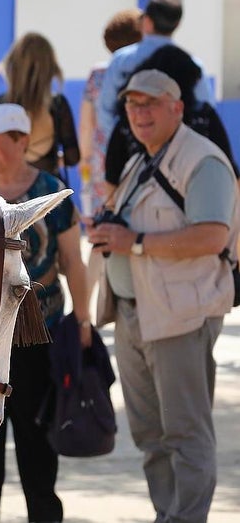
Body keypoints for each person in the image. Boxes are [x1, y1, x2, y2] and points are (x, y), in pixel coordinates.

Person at [88, 69, 237, 523]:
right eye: (132, 105)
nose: (139, 113)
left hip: (179, 317)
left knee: (185, 435)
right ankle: (168, 515)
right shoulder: (142, 159)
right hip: (135, 314)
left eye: (150, 103)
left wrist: (133, 241)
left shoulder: (202, 160)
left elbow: (213, 236)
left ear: (177, 107)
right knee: (151, 436)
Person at [0, 103, 90, 523]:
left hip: (39, 341)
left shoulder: (51, 191)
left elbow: (73, 261)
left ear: (21, 141)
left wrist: (83, 322)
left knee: (38, 452)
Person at [104, 45, 238, 185]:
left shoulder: (127, 124)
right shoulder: (203, 117)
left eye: (152, 102)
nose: (142, 112)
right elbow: (231, 174)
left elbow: (111, 182)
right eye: (134, 103)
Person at [79, 9, 143, 298]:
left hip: (102, 167)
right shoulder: (143, 72)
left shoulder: (97, 75)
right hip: (139, 165)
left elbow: (86, 127)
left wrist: (87, 163)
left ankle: (87, 310)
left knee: (99, 236)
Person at [96, 0, 213, 141]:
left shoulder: (122, 61)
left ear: (147, 21)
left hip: (132, 152)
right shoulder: (192, 64)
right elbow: (205, 108)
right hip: (178, 150)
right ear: (177, 24)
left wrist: (126, 142)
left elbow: (106, 111)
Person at [0, 33, 79, 181]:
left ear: (12, 65)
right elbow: (73, 157)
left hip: (6, 194)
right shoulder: (57, 104)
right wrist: (53, 158)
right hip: (48, 193)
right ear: (50, 68)